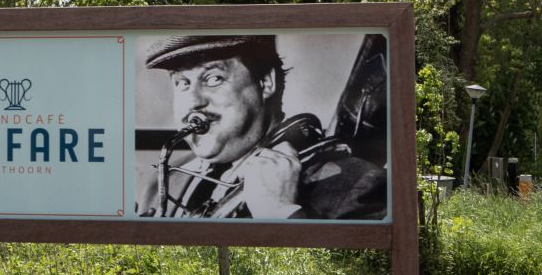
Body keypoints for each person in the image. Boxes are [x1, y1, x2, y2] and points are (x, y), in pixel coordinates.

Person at [136, 35, 387, 219]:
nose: (193, 101)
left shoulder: (356, 184)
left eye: (213, 79)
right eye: (181, 83)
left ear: (266, 82)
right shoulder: (165, 184)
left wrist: (281, 212)